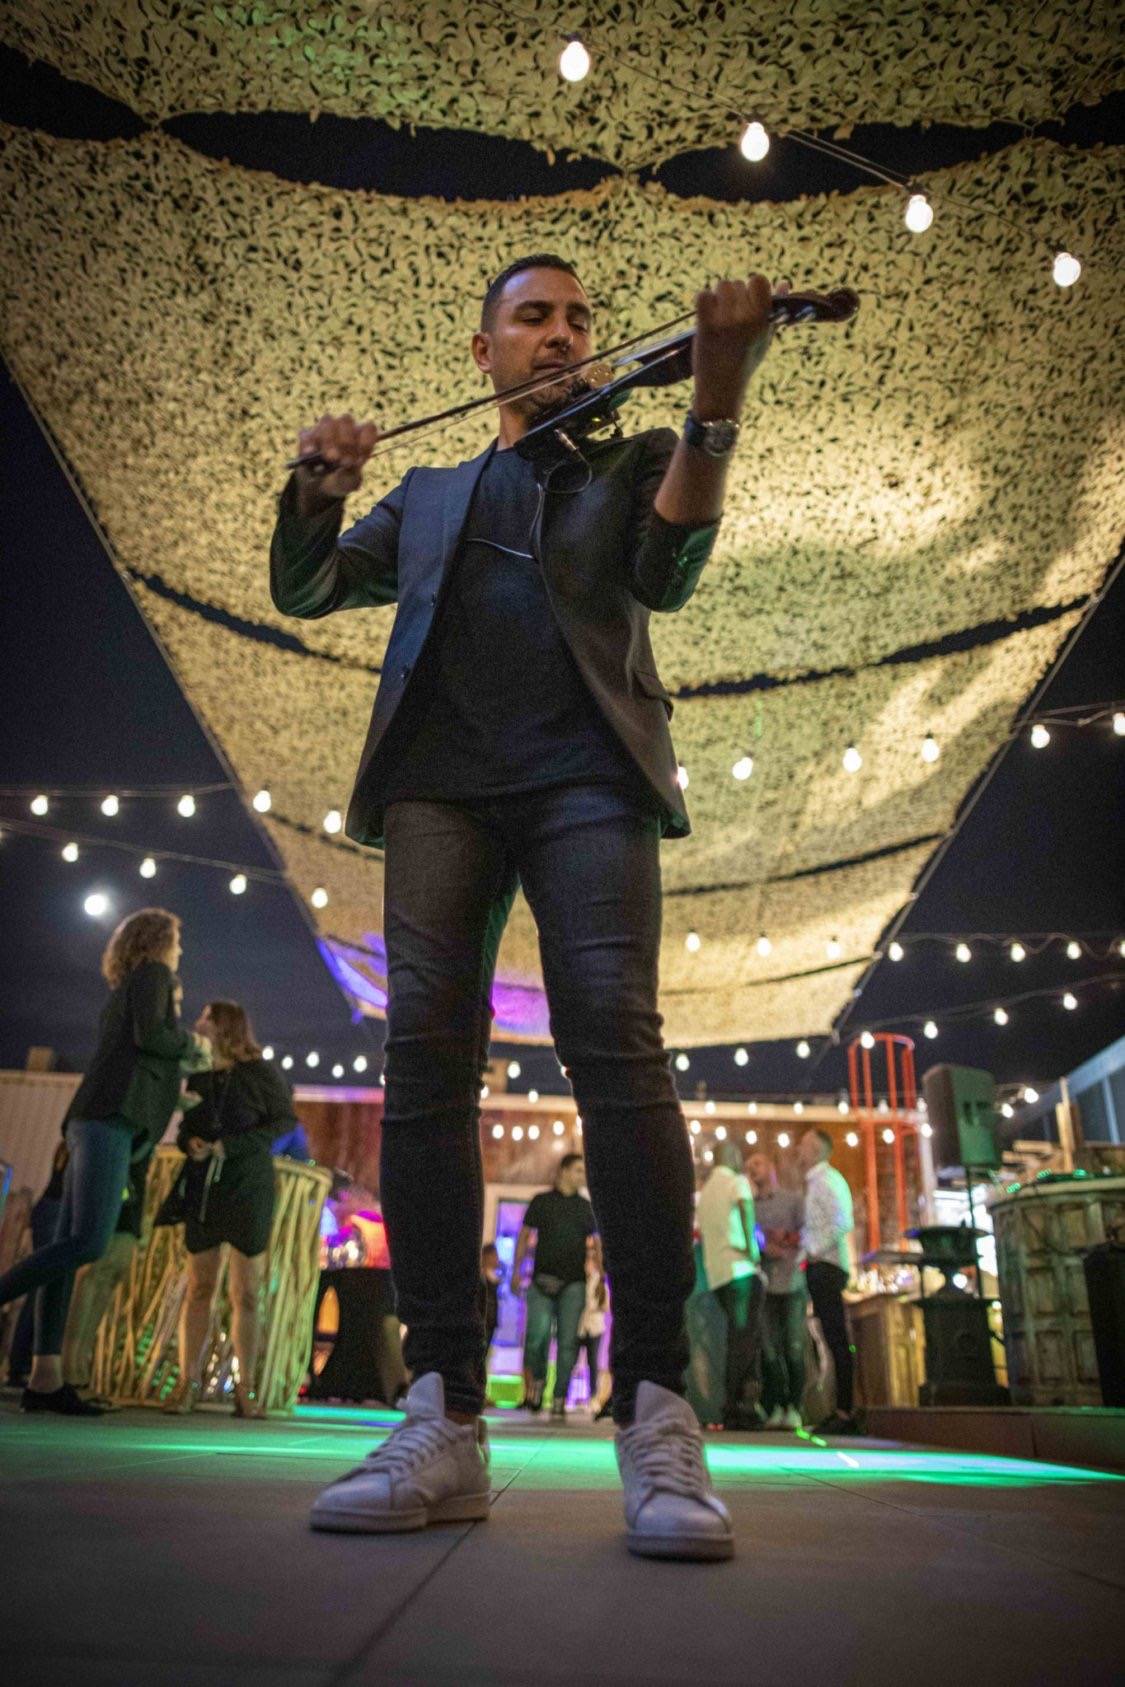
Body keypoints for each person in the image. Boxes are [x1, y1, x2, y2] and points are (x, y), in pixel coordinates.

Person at [272, 253, 792, 1559]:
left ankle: (659, 1407)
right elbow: (309, 586)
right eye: (534, 317)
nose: (563, 333)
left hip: (587, 777)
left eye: (578, 318)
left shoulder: (626, 464)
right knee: (423, 1062)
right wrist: (315, 490)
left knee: (616, 1044)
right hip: (439, 782)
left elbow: (668, 570)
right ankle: (443, 1408)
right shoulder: (431, 493)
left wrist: (718, 392)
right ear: (484, 350)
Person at [0, 908, 209, 1415]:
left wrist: (172, 1092)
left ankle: (46, 1379)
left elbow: (137, 1054)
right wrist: (193, 1045)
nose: (180, 951)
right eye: (177, 941)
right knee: (89, 1241)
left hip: (95, 1117)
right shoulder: (155, 974)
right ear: (158, 942)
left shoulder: (129, 986)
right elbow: (152, 1038)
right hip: (109, 1119)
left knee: (68, 1248)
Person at [161, 1000, 297, 1418]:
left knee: (247, 1292)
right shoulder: (199, 1073)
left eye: (206, 1017)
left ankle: (246, 1389)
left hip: (247, 1187)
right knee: (199, 1287)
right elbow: (186, 1126)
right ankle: (187, 1384)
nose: (198, 1022)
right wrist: (190, 1143)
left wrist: (232, 1146)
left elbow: (284, 1121)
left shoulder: (261, 1073)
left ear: (224, 1026)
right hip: (205, 1189)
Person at [510, 1153, 597, 1420]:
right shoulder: (542, 1201)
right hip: (541, 1281)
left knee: (568, 1342)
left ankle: (560, 1396)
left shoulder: (585, 1207)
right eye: (577, 1170)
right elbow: (525, 1235)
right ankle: (536, 1386)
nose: (582, 1176)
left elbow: (597, 1243)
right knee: (536, 1337)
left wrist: (602, 1276)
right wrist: (516, 1271)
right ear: (563, 1171)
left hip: (574, 1283)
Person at [696, 1142, 763, 1430]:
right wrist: (753, 1250)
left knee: (735, 1338)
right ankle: (736, 1406)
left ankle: (735, 1405)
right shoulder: (737, 1182)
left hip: (717, 1274)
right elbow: (747, 1211)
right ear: (732, 1156)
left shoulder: (705, 1193)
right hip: (740, 1268)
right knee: (744, 1340)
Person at [797, 1127, 858, 1435]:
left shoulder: (827, 1180)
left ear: (818, 1150)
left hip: (827, 1267)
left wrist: (813, 1250)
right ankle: (839, 1408)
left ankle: (845, 1410)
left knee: (836, 1338)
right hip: (821, 1265)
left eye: (805, 1144)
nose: (799, 1149)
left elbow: (842, 1220)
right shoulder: (817, 1182)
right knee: (831, 1338)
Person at [748, 1150, 806, 1429]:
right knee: (769, 1349)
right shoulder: (750, 1206)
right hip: (765, 1284)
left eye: (757, 1163)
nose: (752, 1169)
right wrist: (762, 1247)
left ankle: (795, 1406)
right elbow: (750, 1237)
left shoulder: (793, 1200)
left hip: (792, 1280)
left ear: (771, 1167)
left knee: (793, 1345)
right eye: (749, 1166)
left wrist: (785, 1239)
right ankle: (777, 1404)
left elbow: (808, 1233)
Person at [577, 1240, 610, 1414]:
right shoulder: (582, 1281)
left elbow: (605, 1305)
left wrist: (593, 1307)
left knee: (593, 1361)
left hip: (595, 1327)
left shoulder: (599, 1282)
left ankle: (593, 1396)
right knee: (577, 1359)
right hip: (582, 1326)